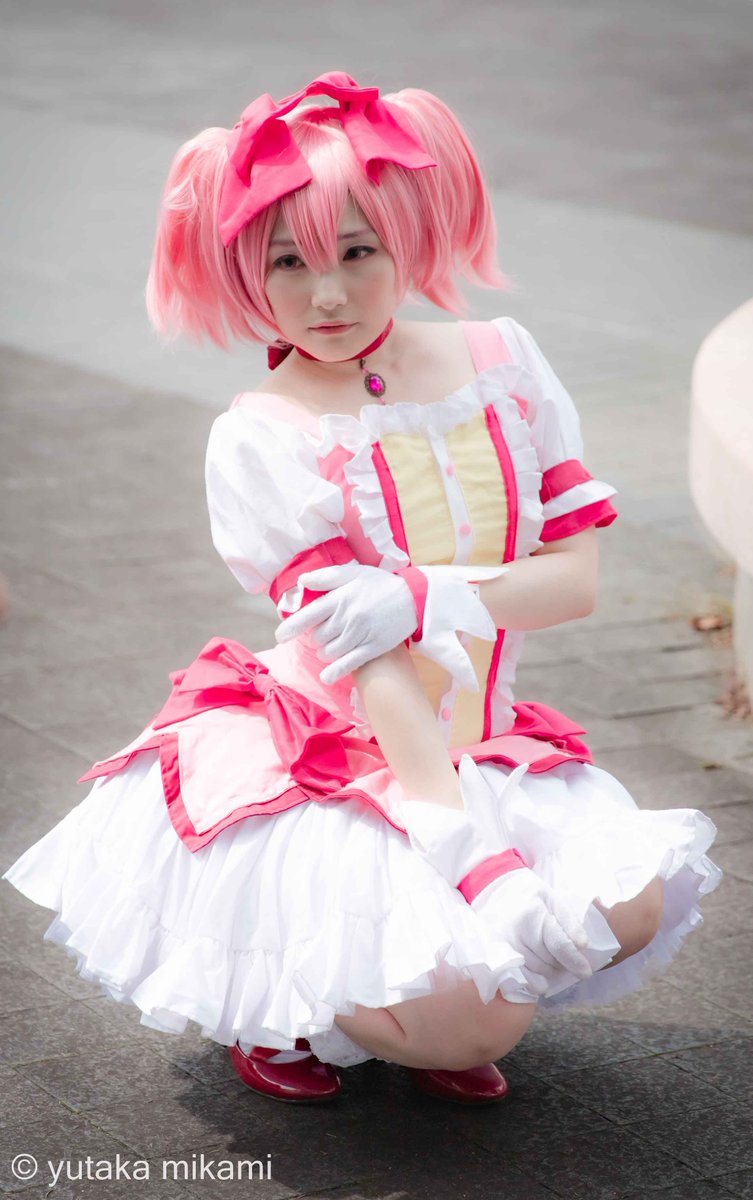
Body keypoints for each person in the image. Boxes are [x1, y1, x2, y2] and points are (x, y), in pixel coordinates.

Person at [3, 71, 720, 1106]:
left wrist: (423, 597)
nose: (326, 295)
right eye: (287, 262)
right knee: (478, 1015)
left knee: (629, 908)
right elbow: (369, 662)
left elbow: (574, 584)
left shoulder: (503, 361)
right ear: (245, 270)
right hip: (348, 754)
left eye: (356, 252)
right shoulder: (264, 433)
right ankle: (297, 1012)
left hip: (480, 735)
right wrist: (470, 857)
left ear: (405, 243)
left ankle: (429, 1002)